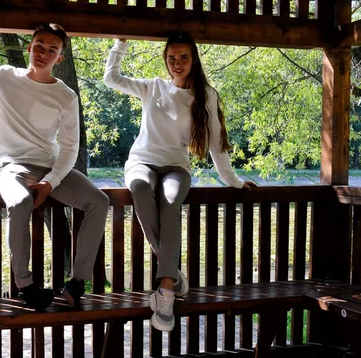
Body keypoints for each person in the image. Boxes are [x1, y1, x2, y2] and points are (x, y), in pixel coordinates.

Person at [0, 24, 109, 310]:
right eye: (39, 45)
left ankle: (77, 282)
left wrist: (50, 182)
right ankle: (25, 285)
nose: (44, 53)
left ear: (59, 58)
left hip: (52, 168)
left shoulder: (65, 96)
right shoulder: (2, 77)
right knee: (19, 201)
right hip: (12, 167)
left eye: (52, 50)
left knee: (98, 201)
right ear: (29, 47)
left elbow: (69, 149)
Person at [103, 33, 255, 331]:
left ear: (194, 59)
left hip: (176, 167)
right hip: (141, 162)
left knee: (171, 201)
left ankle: (166, 290)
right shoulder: (152, 87)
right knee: (141, 187)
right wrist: (119, 44)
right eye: (171, 58)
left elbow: (215, 143)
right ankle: (169, 269)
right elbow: (111, 78)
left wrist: (233, 181)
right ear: (165, 60)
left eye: (183, 57)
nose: (177, 63)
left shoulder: (205, 95)